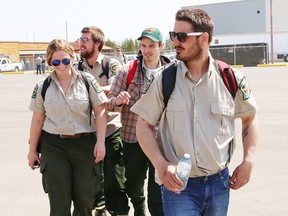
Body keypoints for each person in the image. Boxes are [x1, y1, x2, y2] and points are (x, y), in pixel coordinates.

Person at [131, 8, 259, 216]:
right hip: (179, 186)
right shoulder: (164, 79)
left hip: (220, 184)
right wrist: (161, 165)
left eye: (182, 36)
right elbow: (142, 126)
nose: (175, 42)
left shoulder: (230, 78)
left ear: (203, 38)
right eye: (173, 35)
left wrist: (248, 161)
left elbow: (250, 118)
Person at [27, 38, 108, 216]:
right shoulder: (43, 87)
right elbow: (37, 120)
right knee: (59, 202)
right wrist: (32, 150)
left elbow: (101, 111)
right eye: (56, 62)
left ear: (73, 58)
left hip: (84, 144)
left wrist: (100, 141)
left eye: (65, 60)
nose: (61, 65)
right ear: (49, 62)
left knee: (86, 200)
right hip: (54, 146)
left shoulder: (87, 81)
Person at [106, 27, 171, 216]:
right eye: (143, 45)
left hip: (162, 140)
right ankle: (139, 206)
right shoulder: (128, 71)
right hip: (132, 138)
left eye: (151, 45)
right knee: (133, 183)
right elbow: (109, 103)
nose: (147, 50)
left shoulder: (171, 71)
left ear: (161, 46)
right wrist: (118, 101)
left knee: (157, 186)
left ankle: (154, 211)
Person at [77, 26, 129, 216]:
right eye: (80, 39)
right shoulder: (78, 67)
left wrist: (92, 86)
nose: (81, 43)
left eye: (85, 40)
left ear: (97, 43)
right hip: (90, 129)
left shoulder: (110, 63)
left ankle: (120, 211)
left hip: (111, 127)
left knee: (115, 177)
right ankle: (101, 208)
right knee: (93, 176)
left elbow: (116, 87)